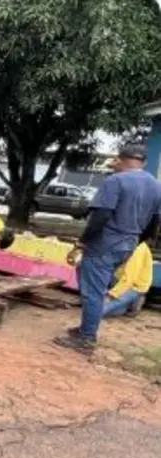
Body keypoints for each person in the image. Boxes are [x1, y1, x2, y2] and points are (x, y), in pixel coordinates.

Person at [54, 145, 161, 352]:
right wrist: (137, 241)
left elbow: (101, 216)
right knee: (97, 286)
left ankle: (86, 339)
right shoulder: (156, 187)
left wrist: (83, 242)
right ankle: (87, 328)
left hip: (105, 243)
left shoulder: (116, 181)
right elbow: (156, 223)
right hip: (128, 244)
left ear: (120, 160)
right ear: (143, 162)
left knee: (93, 292)